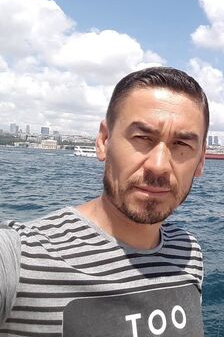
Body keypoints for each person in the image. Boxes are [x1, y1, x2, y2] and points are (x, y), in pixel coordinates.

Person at [0, 67, 209, 337]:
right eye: (142, 138)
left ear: (200, 160)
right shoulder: (20, 257)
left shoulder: (189, 253)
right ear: (103, 140)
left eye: (181, 144)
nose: (159, 166)